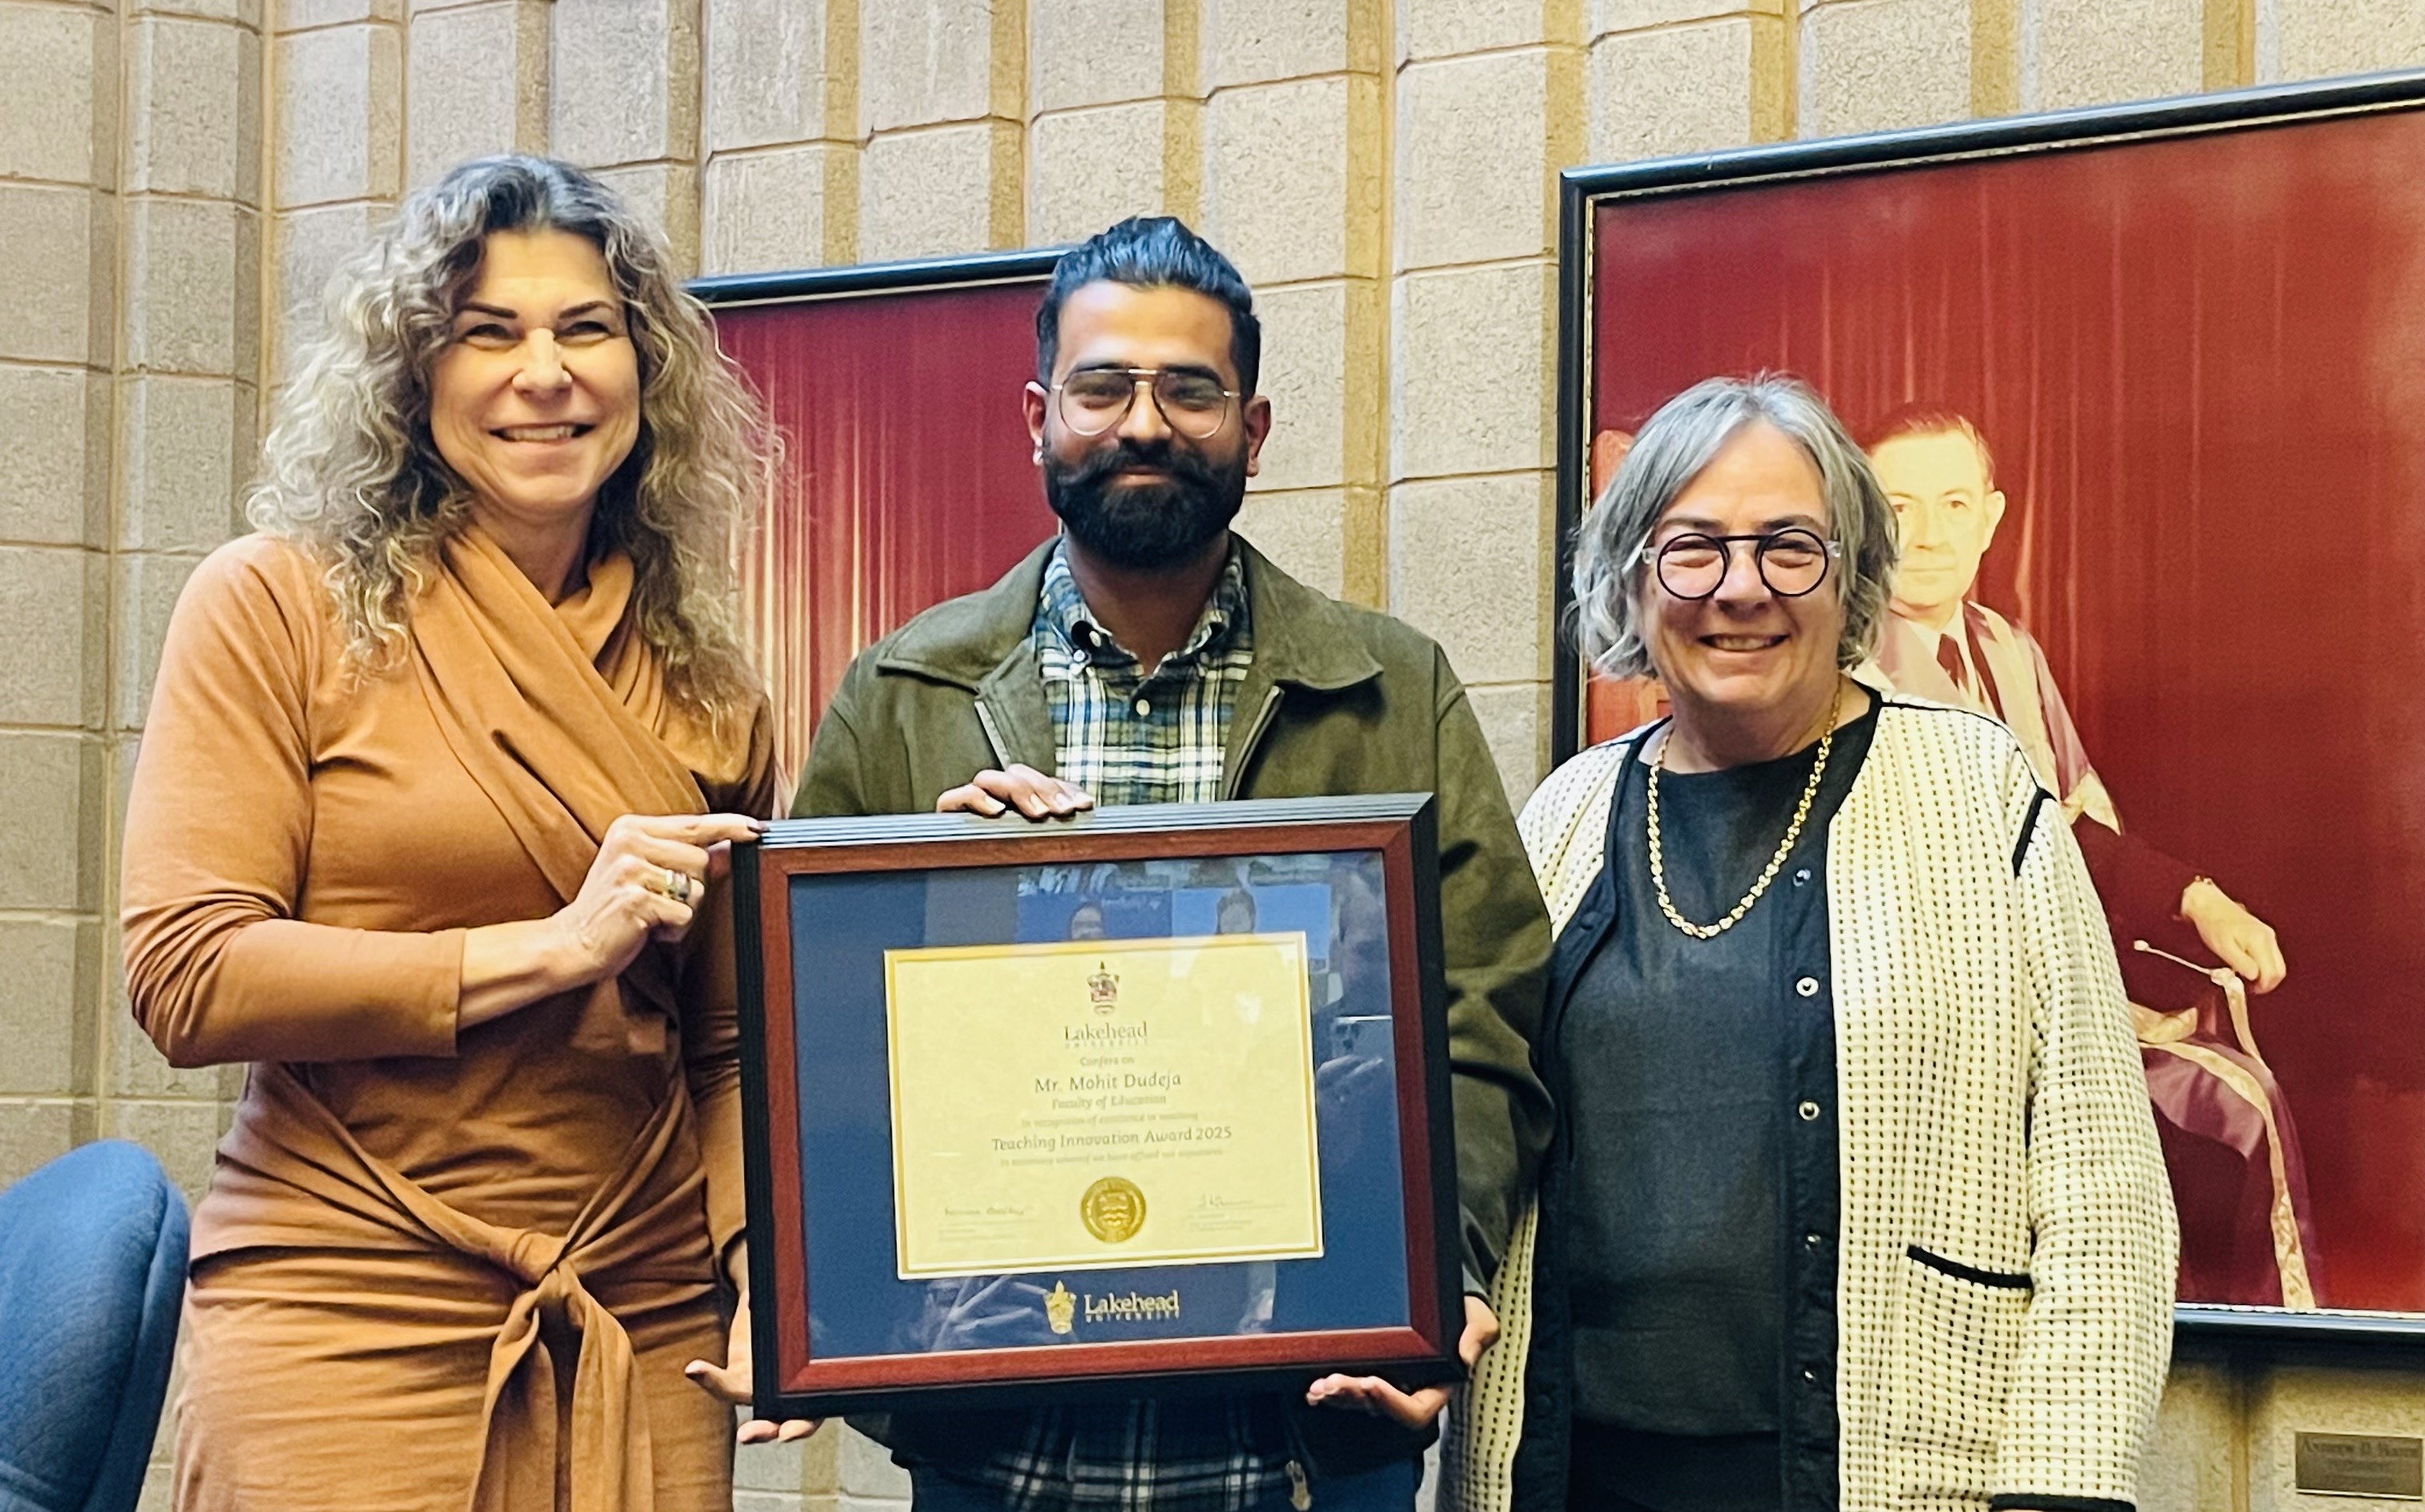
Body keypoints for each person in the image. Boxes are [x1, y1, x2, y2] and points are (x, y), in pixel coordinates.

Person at [794, 215, 1553, 1511]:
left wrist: (1439, 1273)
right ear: (1038, 416)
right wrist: (935, 897)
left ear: (1250, 430)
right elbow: (809, 1034)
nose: (1143, 422)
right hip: (999, 1445)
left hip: (1305, 1431)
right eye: (1102, 386)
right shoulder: (903, 691)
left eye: (1189, 390)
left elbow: (1482, 1014)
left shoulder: (1390, 684)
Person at [119, 155, 807, 1512]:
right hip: (347, 1293)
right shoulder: (273, 606)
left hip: (638, 1304)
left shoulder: (714, 687)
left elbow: (727, 1043)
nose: (539, 373)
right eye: (487, 333)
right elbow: (188, 976)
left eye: (584, 329)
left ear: (644, 371)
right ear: (413, 376)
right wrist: (548, 949)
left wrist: (761, 1281)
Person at [1449, 375, 2175, 1512]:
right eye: (1693, 548)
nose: (1742, 588)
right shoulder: (1566, 813)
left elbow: (2105, 1186)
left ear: (1851, 577)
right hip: (1574, 1469)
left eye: (1791, 546)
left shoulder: (1979, 791)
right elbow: (1477, 1112)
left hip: (1901, 1467)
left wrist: (2064, 1487)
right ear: (1636, 578)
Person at [1866, 407, 2314, 1306]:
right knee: (2234, 1107)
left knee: (2243, 1058)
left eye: (1953, 502)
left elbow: (2069, 830)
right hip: (1938, 1016)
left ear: (1991, 518)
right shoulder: (1848, 664)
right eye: (1896, 505)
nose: (1926, 534)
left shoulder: (2008, 648)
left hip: (2049, 978)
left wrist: (2196, 899)